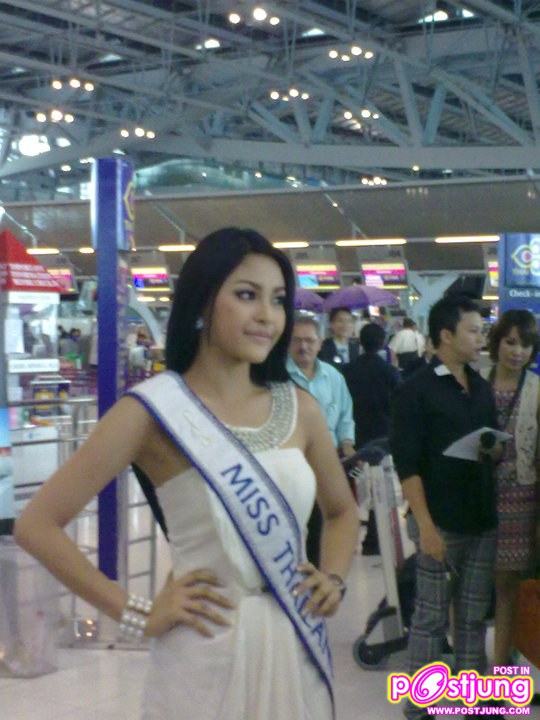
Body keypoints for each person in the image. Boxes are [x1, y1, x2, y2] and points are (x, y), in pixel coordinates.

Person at [14, 228, 358, 720]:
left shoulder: (300, 409)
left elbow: (342, 511)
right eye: (247, 295)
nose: (267, 315)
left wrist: (335, 579)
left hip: (293, 646)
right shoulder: (153, 411)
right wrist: (137, 613)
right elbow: (36, 525)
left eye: (278, 300)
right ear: (202, 302)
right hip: (204, 659)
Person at [390, 295, 499, 720]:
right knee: (432, 617)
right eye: (473, 330)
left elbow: (489, 442)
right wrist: (425, 526)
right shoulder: (415, 390)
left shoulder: (480, 385)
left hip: (481, 518)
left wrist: (493, 450)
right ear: (446, 335)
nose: (480, 338)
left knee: (472, 616)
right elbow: (408, 465)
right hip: (439, 521)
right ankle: (419, 703)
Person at [483, 310, 540, 669]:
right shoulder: (477, 382)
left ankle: (502, 667)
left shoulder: (536, 389)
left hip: (521, 500)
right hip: (478, 497)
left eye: (526, 345)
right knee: (473, 587)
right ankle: (474, 663)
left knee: (508, 588)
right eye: (511, 342)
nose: (518, 351)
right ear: (497, 342)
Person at [287, 315, 356, 566]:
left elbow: (346, 414)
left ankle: (318, 571)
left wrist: (347, 443)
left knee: (325, 518)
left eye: (309, 340)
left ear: (319, 343)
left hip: (328, 460)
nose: (303, 346)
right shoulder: (277, 377)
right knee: (295, 520)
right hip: (292, 461)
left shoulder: (333, 376)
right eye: (296, 341)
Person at [344, 323, 401, 556]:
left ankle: (347, 534)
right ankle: (374, 539)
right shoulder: (389, 371)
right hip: (381, 440)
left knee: (352, 482)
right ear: (382, 343)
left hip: (353, 439)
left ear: (360, 341)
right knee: (379, 487)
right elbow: (400, 402)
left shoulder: (348, 370)